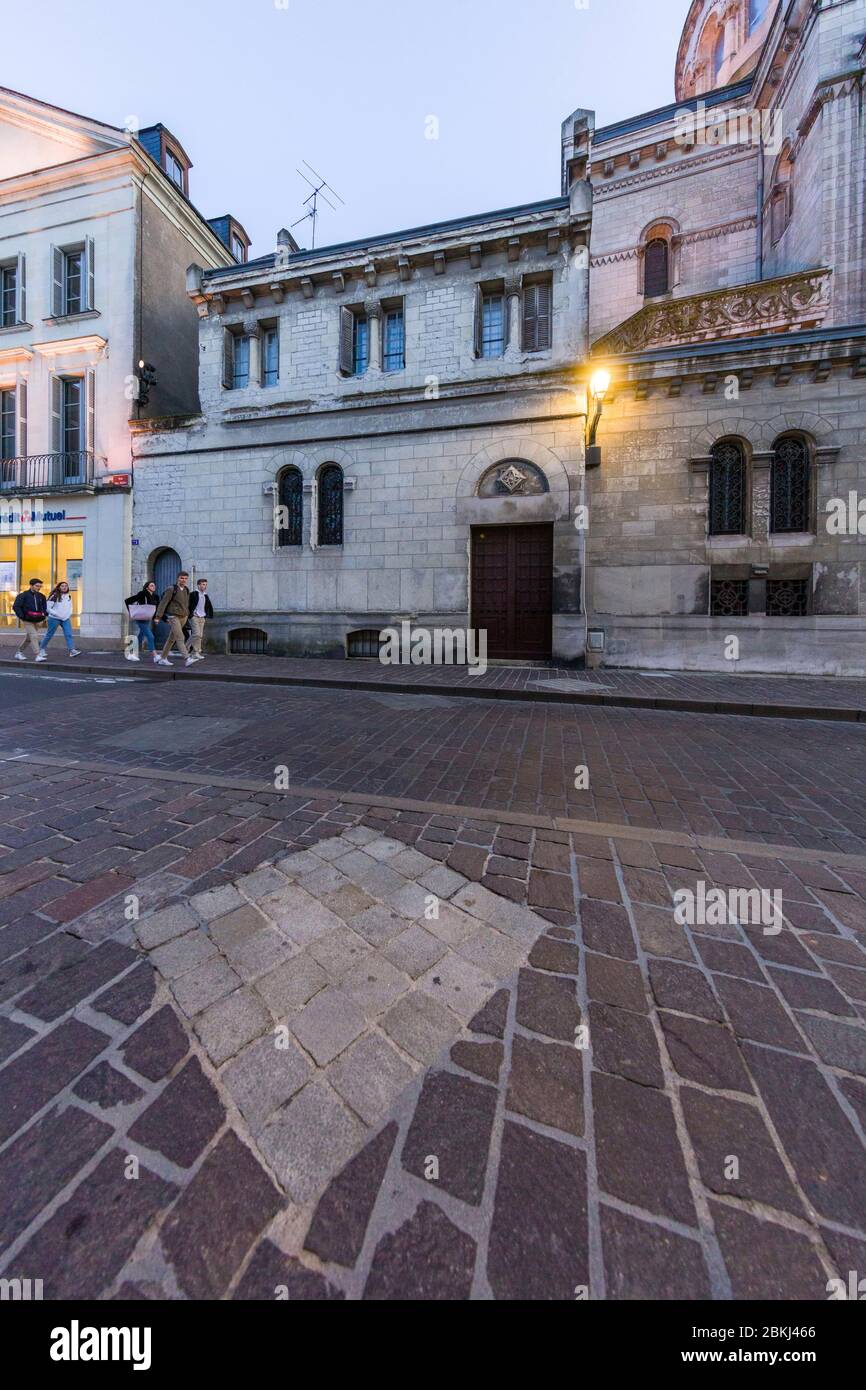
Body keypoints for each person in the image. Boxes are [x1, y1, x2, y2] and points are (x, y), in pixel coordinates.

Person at [154, 570, 195, 667]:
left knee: (171, 639)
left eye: (185, 578)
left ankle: (163, 658)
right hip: (173, 617)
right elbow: (163, 603)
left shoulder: (186, 590)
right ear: (178, 578)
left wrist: (187, 614)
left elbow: (186, 604)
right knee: (180, 637)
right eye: (182, 578)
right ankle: (187, 658)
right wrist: (158, 616)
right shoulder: (171, 589)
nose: (184, 580)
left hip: (183, 617)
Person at [35, 581, 80, 660]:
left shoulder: (69, 596)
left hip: (65, 619)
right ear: (59, 587)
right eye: (62, 586)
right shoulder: (54, 596)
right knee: (49, 634)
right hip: (54, 618)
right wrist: (56, 614)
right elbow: (47, 608)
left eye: (66, 586)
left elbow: (70, 607)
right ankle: (41, 648)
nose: (64, 587)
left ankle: (72, 650)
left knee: (68, 634)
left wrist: (68, 614)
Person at [12, 578, 48, 661]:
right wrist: (22, 616)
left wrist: (44, 615)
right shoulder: (23, 595)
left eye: (40, 586)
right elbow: (16, 606)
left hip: (38, 620)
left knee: (29, 638)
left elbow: (44, 608)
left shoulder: (41, 596)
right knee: (34, 636)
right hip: (27, 620)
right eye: (37, 586)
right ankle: (38, 655)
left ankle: (19, 652)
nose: (39, 588)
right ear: (31, 585)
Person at [124, 580, 159, 661]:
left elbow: (155, 609)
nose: (154, 587)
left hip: (147, 618)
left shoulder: (155, 596)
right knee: (150, 636)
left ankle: (131, 653)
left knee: (140, 636)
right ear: (147, 587)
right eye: (151, 585)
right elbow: (128, 601)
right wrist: (131, 612)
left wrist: (156, 618)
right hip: (140, 618)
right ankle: (155, 656)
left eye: (154, 585)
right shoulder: (142, 594)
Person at [188, 578, 213, 662]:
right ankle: (195, 652)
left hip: (202, 617)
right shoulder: (193, 594)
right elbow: (188, 605)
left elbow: (207, 606)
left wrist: (207, 614)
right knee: (197, 634)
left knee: (199, 635)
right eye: (203, 584)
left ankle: (185, 648)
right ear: (198, 585)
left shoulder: (205, 595)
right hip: (194, 616)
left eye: (205, 584)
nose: (204, 586)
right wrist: (190, 615)